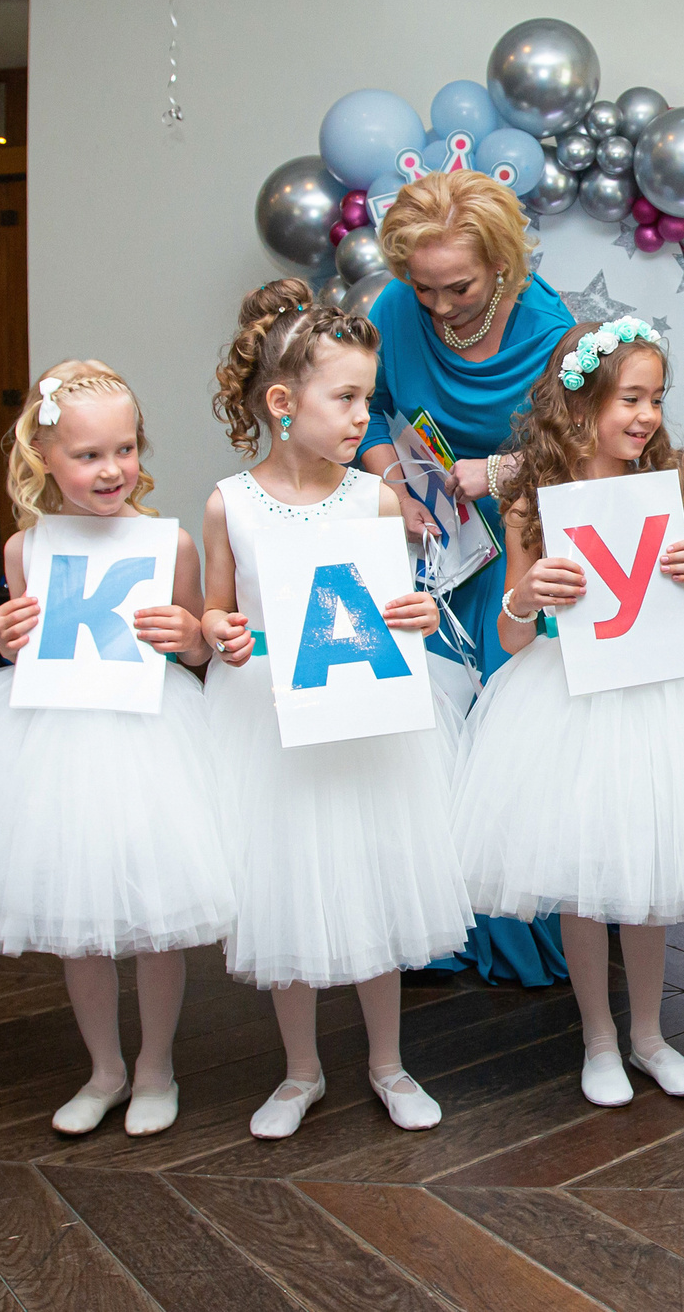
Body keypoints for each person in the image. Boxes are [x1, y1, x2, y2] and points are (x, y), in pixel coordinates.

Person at [0, 361, 236, 1141]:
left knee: (155, 917)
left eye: (125, 448)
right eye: (88, 455)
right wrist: (6, 636)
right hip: (55, 742)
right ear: (45, 458)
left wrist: (188, 638)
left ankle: (156, 1066)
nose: (111, 470)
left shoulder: (170, 541)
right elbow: (26, 645)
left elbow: (199, 647)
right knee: (78, 914)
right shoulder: (24, 549)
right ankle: (104, 1067)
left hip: (150, 739)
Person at [455, 317, 684, 1108]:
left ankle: (651, 1035)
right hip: (567, 700)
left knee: (649, 872)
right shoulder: (535, 499)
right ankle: (598, 1037)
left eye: (656, 398)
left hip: (658, 699)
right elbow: (512, 638)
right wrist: (526, 595)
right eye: (630, 397)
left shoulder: (671, 489)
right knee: (589, 880)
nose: (647, 415)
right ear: (582, 401)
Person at [200, 281, 473, 1139]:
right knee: (288, 883)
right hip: (271, 720)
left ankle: (388, 1061)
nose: (364, 415)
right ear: (285, 402)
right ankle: (300, 1068)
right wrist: (220, 630)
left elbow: (397, 605)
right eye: (346, 397)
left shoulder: (378, 499)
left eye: (367, 395)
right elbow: (212, 614)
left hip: (364, 718)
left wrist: (423, 612)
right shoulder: (229, 504)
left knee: (372, 878)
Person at [357, 171, 577, 987]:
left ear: (503, 269)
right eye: (425, 288)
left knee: (513, 729)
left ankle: (524, 926)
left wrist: (505, 468)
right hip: (434, 548)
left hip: (524, 547)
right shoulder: (393, 314)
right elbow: (364, 409)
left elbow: (583, 444)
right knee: (434, 724)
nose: (442, 306)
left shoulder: (550, 326)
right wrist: (394, 477)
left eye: (461, 287)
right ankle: (439, 917)